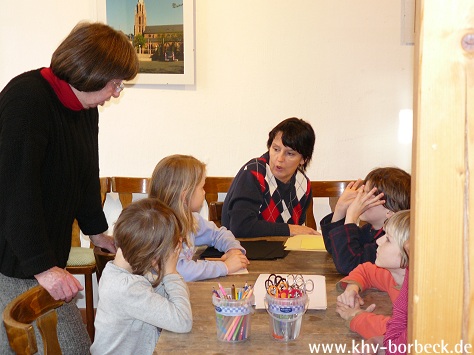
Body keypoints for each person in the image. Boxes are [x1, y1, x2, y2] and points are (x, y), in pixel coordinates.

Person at [0, 21, 138, 353]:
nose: (116, 93)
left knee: (71, 346)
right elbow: (15, 192)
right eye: (114, 83)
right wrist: (44, 268)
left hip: (40, 257)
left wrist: (97, 231)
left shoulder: (84, 108)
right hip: (12, 258)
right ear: (89, 72)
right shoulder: (26, 99)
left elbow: (86, 174)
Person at [90, 198, 192, 354]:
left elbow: (167, 303)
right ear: (152, 256)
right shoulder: (127, 288)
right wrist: (171, 273)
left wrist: (163, 271)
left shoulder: (120, 271)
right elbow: (182, 320)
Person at [149, 154, 249, 281]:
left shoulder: (191, 220)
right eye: (202, 187)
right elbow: (179, 270)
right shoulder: (161, 229)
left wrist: (233, 249)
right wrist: (225, 267)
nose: (204, 192)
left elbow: (217, 234)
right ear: (185, 196)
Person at [222, 117, 318, 238]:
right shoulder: (254, 173)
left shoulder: (303, 184)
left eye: (290, 154)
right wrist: (289, 229)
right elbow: (240, 226)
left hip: (282, 253)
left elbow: (297, 232)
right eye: (276, 149)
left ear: (304, 159)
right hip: (244, 251)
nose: (280, 158)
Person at [335, 210, 410, 340]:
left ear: (409, 252)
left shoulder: (417, 295)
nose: (378, 241)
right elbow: (366, 270)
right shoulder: (393, 276)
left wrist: (357, 316)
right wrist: (352, 288)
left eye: (388, 239)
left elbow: (400, 335)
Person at [320, 167, 411, 275]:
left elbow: (348, 266)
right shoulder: (370, 230)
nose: (359, 199)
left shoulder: (390, 241)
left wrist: (351, 217)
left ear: (390, 211)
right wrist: (340, 209)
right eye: (362, 192)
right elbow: (335, 249)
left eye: (367, 195)